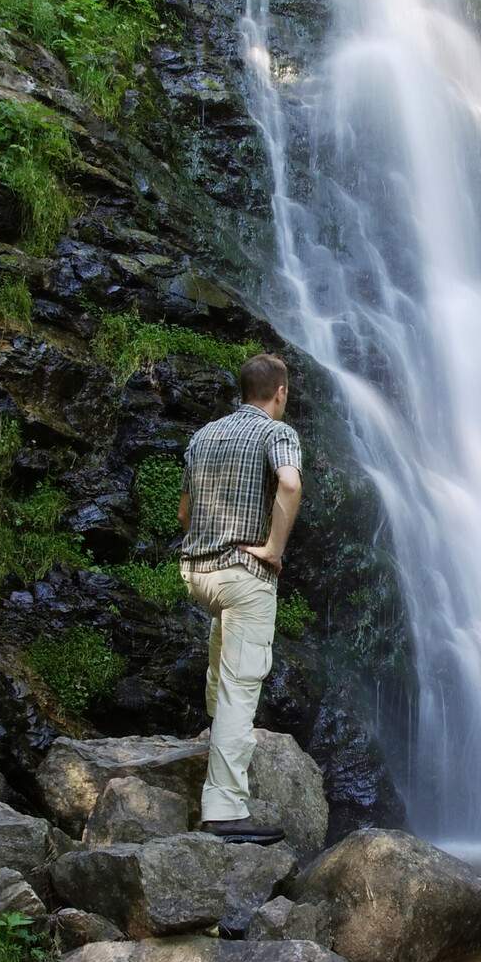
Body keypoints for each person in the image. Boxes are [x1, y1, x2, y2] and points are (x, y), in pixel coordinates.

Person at [176, 353, 303, 844]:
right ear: (281, 392)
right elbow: (289, 484)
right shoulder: (278, 434)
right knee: (240, 684)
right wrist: (273, 548)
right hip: (243, 574)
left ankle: (212, 739)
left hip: (196, 573)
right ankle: (225, 809)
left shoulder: (203, 436)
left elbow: (185, 513)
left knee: (221, 652)